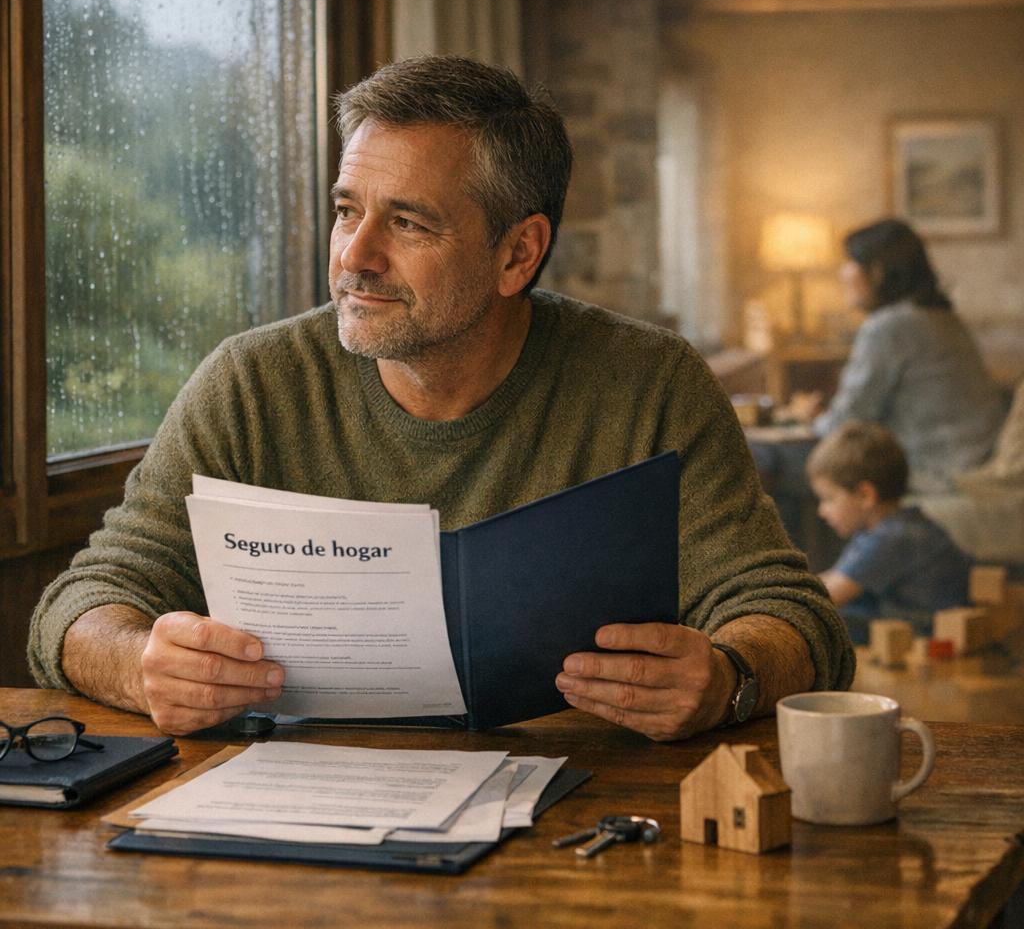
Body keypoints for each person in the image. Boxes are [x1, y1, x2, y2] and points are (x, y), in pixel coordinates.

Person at [29, 55, 853, 740]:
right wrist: (142, 667)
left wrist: (730, 679)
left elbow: (792, 615)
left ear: (518, 254)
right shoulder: (251, 382)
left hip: (584, 820)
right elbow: (79, 605)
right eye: (346, 211)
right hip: (298, 817)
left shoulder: (650, 384)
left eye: (409, 224)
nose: (356, 255)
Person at [801, 218, 1006, 495]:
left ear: (878, 272)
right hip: (977, 457)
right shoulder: (941, 316)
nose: (843, 273)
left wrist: (813, 418)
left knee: (777, 459)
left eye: (850, 262)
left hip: (935, 471)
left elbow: (846, 424)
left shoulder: (888, 327)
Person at [807, 420, 973, 645]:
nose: (822, 511)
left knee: (821, 621)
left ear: (865, 495)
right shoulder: (887, 527)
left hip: (927, 635)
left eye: (828, 499)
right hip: (902, 618)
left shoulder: (894, 537)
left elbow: (825, 595)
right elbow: (836, 579)